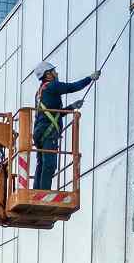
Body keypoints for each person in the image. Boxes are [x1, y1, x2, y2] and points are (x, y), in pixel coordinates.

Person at [32, 60, 100, 190]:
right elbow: (72, 87)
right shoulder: (52, 86)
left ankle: (36, 191)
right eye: (54, 71)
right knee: (50, 165)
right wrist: (90, 78)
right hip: (48, 132)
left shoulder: (41, 92)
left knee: (42, 163)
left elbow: (53, 113)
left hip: (40, 131)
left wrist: (71, 107)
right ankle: (43, 193)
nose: (56, 73)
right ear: (48, 75)